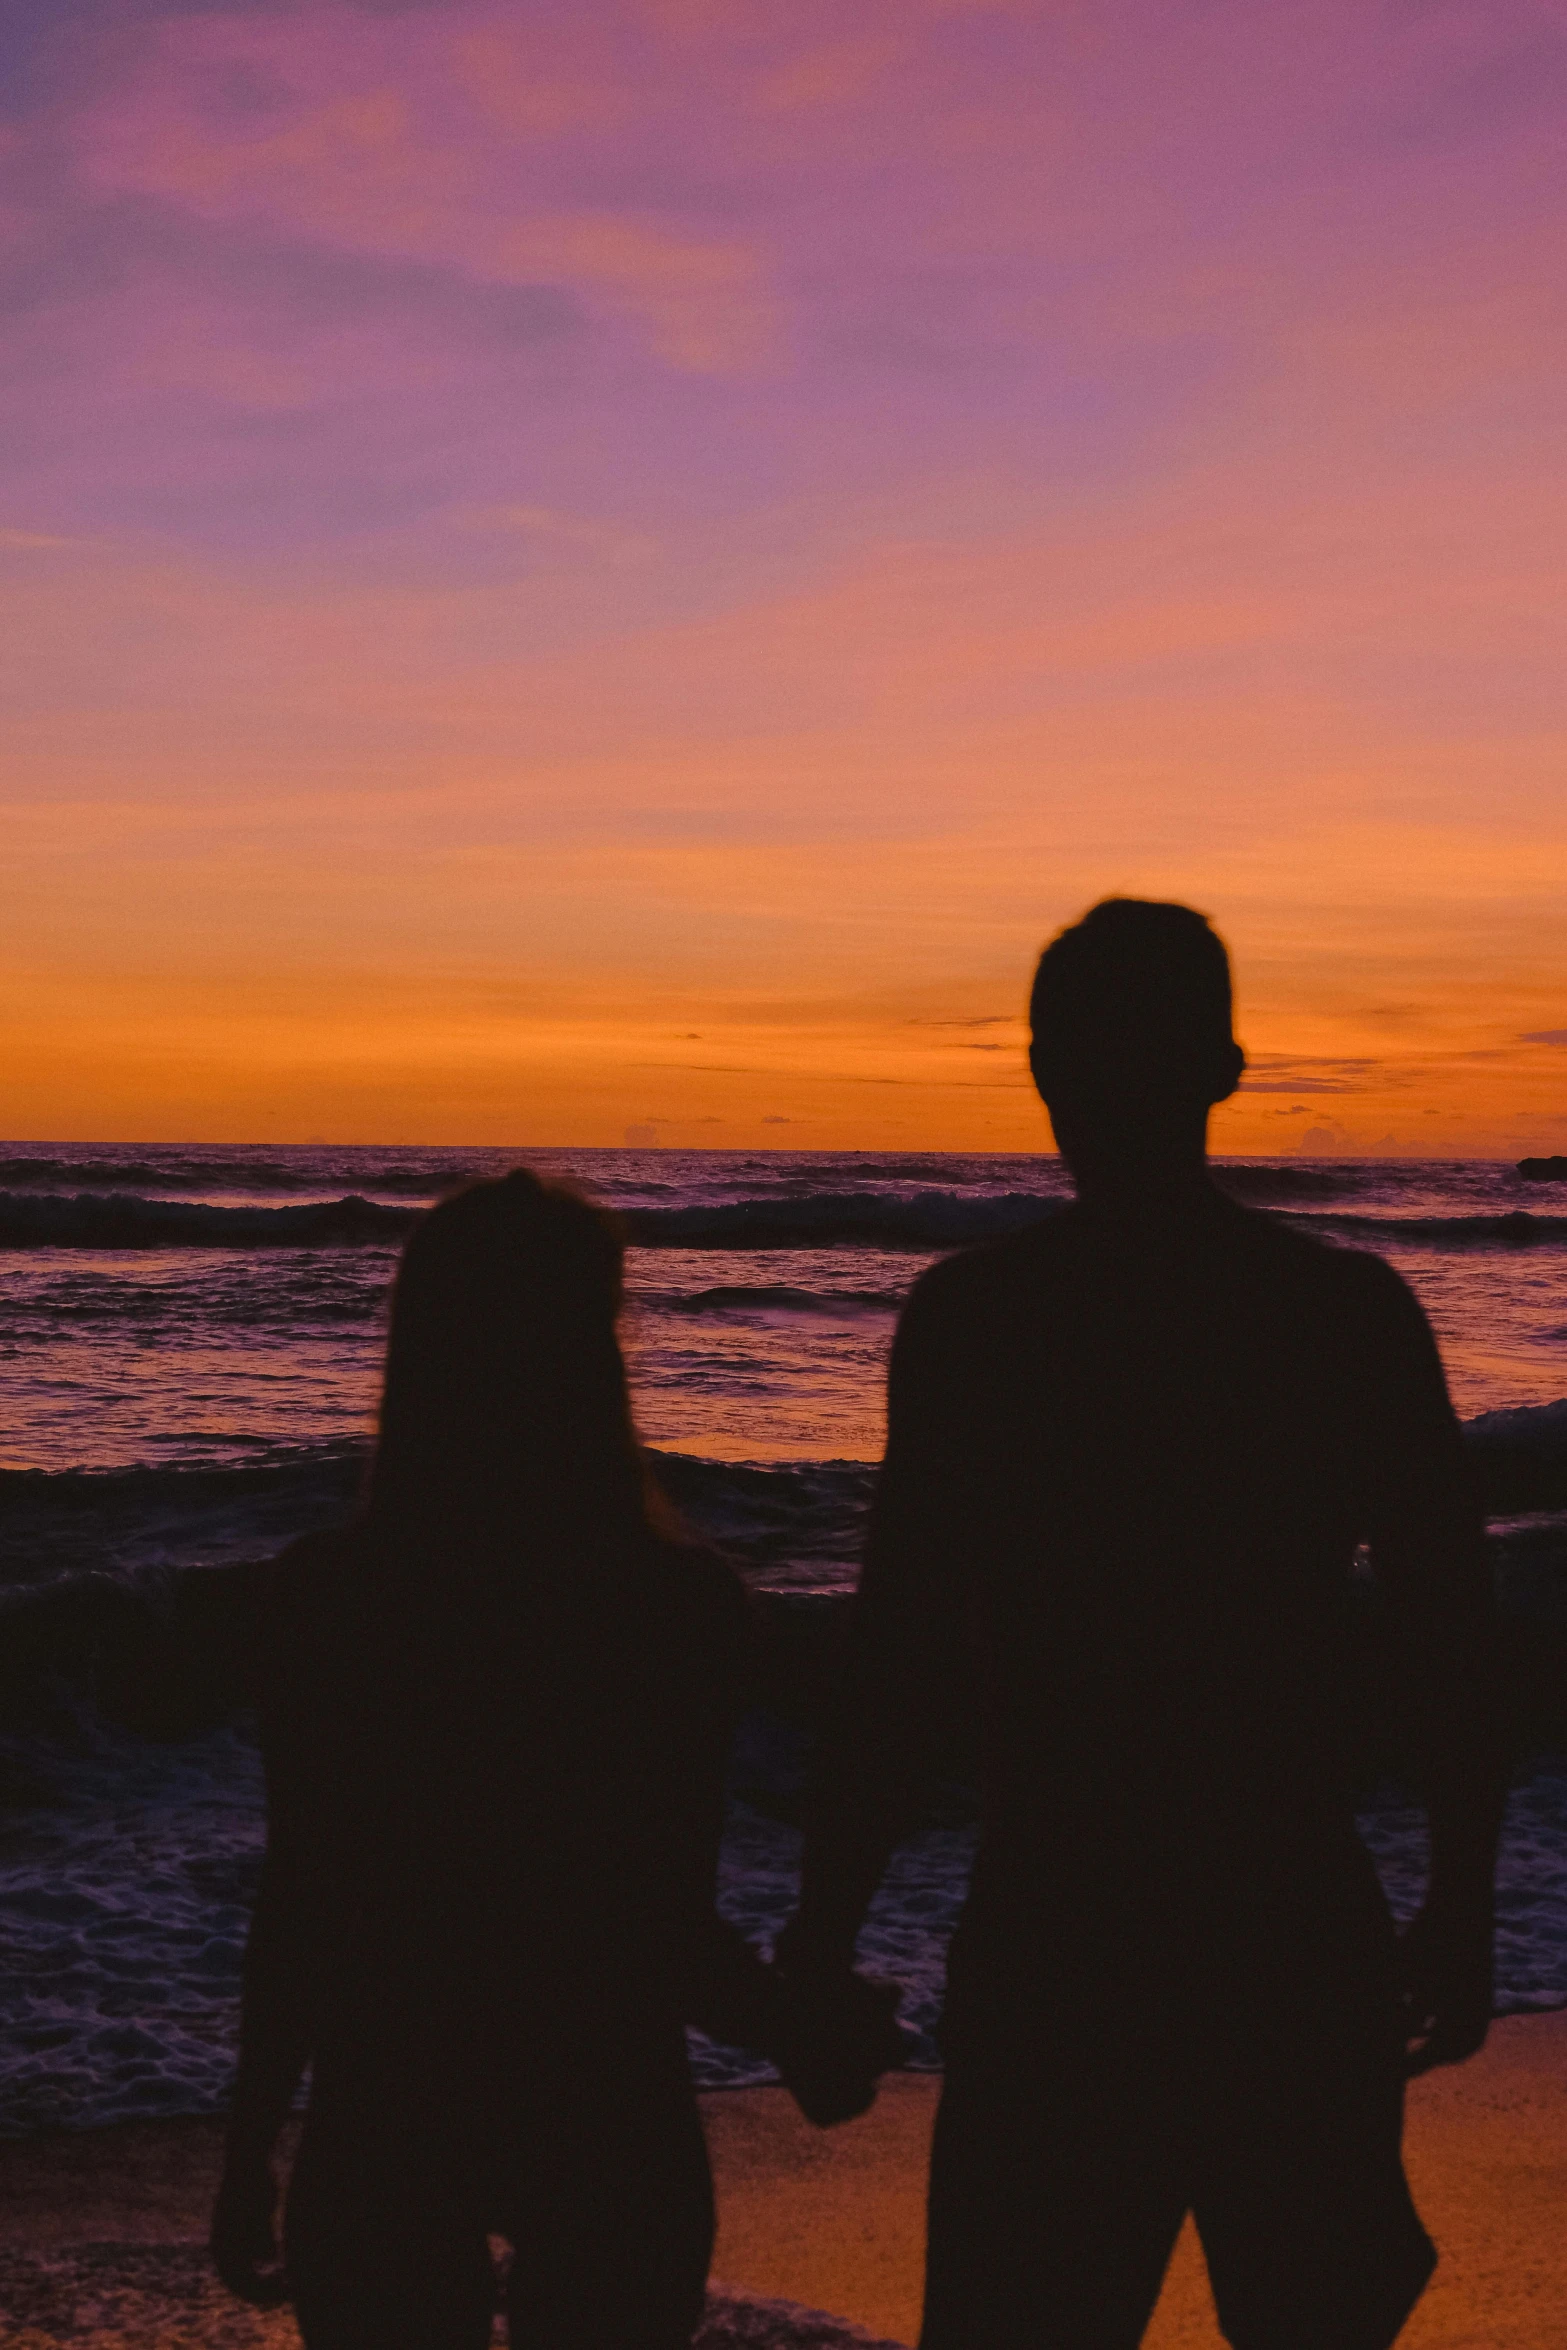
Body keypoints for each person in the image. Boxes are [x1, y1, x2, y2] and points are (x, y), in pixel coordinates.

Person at [778, 900, 1505, 2350]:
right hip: (1283, 1922)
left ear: (1045, 1073)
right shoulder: (1342, 1312)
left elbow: (897, 1655)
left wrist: (819, 1935)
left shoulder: (979, 1321)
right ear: (1223, 1069)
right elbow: (1448, 1636)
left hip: (1060, 1929)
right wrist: (1459, 1901)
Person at [210, 1171, 776, 2350]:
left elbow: (304, 1894)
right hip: (608, 2098)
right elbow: (663, 1913)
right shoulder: (676, 1604)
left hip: (391, 2093)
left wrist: (251, 2140)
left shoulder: (332, 1597)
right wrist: (798, 2024)